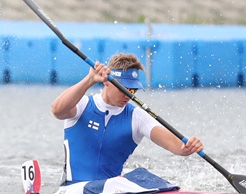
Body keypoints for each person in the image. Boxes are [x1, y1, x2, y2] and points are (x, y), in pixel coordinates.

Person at [50, 52, 202, 183]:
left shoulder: (137, 117)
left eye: (133, 90)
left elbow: (173, 144)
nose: (128, 95)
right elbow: (57, 110)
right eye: (124, 88)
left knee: (143, 177)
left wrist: (187, 147)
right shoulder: (81, 105)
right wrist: (89, 79)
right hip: (72, 193)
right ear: (107, 82)